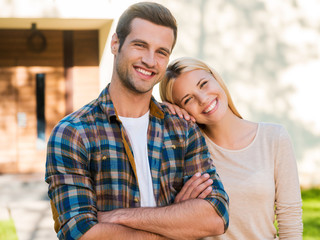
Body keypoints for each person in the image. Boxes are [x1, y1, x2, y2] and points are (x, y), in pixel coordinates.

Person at [45, 3, 229, 240]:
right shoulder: (73, 133)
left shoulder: (182, 128)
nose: (150, 61)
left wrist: (118, 216)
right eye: (140, 45)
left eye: (161, 52)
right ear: (115, 44)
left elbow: (216, 218)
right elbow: (80, 233)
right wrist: (176, 220)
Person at [160, 57, 303, 240]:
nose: (203, 99)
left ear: (216, 79)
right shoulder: (188, 152)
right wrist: (162, 111)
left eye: (203, 84)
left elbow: (290, 219)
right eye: (188, 99)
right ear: (181, 109)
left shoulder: (274, 137)